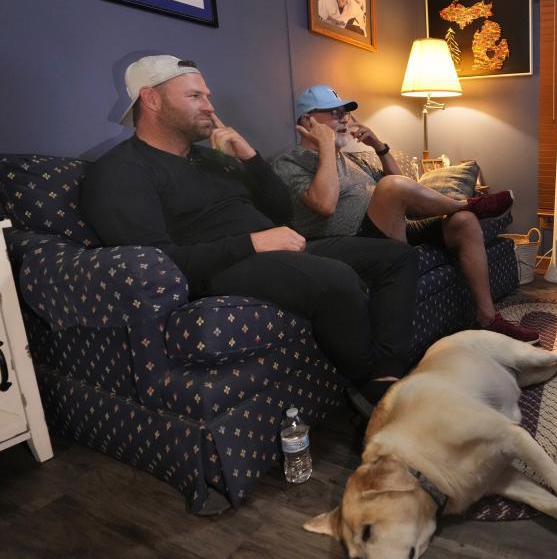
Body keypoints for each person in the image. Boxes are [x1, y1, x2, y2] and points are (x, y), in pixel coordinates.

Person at [81, 56, 418, 411]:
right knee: (335, 278)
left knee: (396, 257)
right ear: (151, 99)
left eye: (207, 96)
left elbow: (279, 212)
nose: (210, 107)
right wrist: (253, 243)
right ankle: (370, 390)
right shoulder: (121, 171)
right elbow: (153, 263)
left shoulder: (212, 158)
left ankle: (388, 375)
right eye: (195, 97)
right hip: (218, 266)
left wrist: (248, 156)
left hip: (274, 247)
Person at [273, 85, 540, 343]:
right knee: (395, 189)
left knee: (464, 223)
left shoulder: (351, 160)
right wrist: (327, 148)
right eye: (334, 113)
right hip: (355, 243)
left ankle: (488, 317)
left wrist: (379, 146)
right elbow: (325, 205)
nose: (344, 119)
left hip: (391, 226)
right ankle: (466, 203)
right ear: (308, 121)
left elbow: (402, 186)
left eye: (345, 112)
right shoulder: (289, 162)